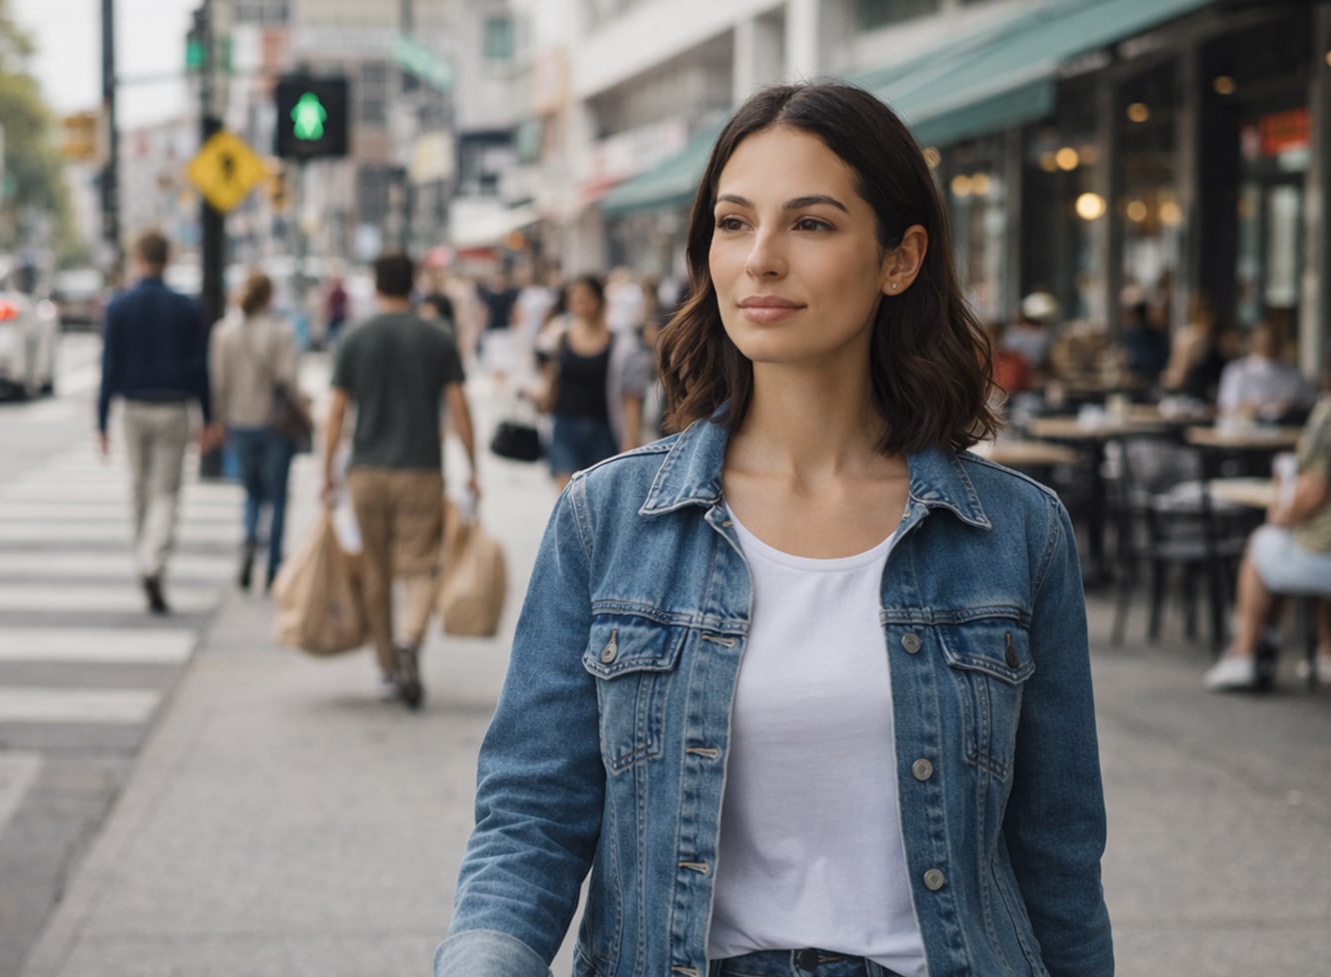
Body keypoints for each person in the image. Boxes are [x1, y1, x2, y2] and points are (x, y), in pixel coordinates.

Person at [437, 83, 1111, 977]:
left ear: (900, 257)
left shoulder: (1016, 534)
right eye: (733, 221)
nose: (759, 259)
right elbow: (529, 818)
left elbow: (1058, 861)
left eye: (812, 224)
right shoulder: (608, 521)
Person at [320, 252, 481, 710]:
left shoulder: (355, 337)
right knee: (420, 564)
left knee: (375, 568)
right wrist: (472, 468)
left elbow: (335, 411)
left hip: (367, 470)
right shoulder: (437, 336)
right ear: (413, 285)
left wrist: (326, 473)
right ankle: (410, 638)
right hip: (421, 469)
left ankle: (388, 666)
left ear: (375, 286)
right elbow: (458, 405)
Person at [1202, 332, 1331, 692]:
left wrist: (1282, 515)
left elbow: (1311, 495)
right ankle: (1330, 653)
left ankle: (1243, 654)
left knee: (1263, 544)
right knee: (1317, 536)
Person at [97, 230, 225, 614]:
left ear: (138, 258)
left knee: (139, 488)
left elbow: (109, 367)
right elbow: (199, 367)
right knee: (166, 491)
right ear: (167, 260)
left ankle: (144, 559)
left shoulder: (119, 306)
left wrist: (101, 421)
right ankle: (154, 561)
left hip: (133, 406)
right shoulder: (186, 308)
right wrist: (209, 416)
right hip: (173, 406)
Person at [209, 270, 301, 592]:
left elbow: (219, 383)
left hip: (240, 421)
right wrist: (307, 410)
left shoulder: (224, 333)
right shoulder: (282, 332)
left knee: (251, 492)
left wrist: (219, 422)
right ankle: (273, 565)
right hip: (276, 424)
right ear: (268, 297)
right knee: (278, 497)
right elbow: (289, 379)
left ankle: (250, 540)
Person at [533, 273, 649, 489]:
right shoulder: (559, 335)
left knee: (599, 497)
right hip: (564, 426)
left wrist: (631, 441)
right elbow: (548, 375)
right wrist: (538, 394)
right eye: (574, 298)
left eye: (585, 297)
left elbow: (631, 397)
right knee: (566, 496)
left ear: (599, 301)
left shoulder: (621, 344)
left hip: (604, 430)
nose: (580, 303)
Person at [1217, 317, 1313, 422]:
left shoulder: (1294, 373)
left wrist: (1290, 406)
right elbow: (1228, 407)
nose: (1270, 344)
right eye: (1266, 339)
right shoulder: (1238, 371)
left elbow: (1307, 403)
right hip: (1247, 433)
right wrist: (1261, 407)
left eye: (1275, 340)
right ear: (1254, 341)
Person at [1161, 293, 1229, 401]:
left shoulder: (1188, 337)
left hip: (1192, 400)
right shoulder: (1221, 339)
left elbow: (1178, 376)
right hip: (1215, 399)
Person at [1119, 298, 1168, 384]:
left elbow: (1133, 359)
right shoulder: (1158, 334)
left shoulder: (1133, 334)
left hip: (1144, 381)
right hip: (1154, 379)